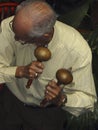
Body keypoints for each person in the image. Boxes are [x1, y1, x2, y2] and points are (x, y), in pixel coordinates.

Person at [0, 0, 97, 130]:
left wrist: (62, 99)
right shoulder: (9, 27)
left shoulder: (77, 50)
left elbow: (87, 101)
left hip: (46, 115)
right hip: (10, 102)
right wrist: (20, 71)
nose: (15, 38)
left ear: (44, 36)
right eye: (14, 30)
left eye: (22, 38)